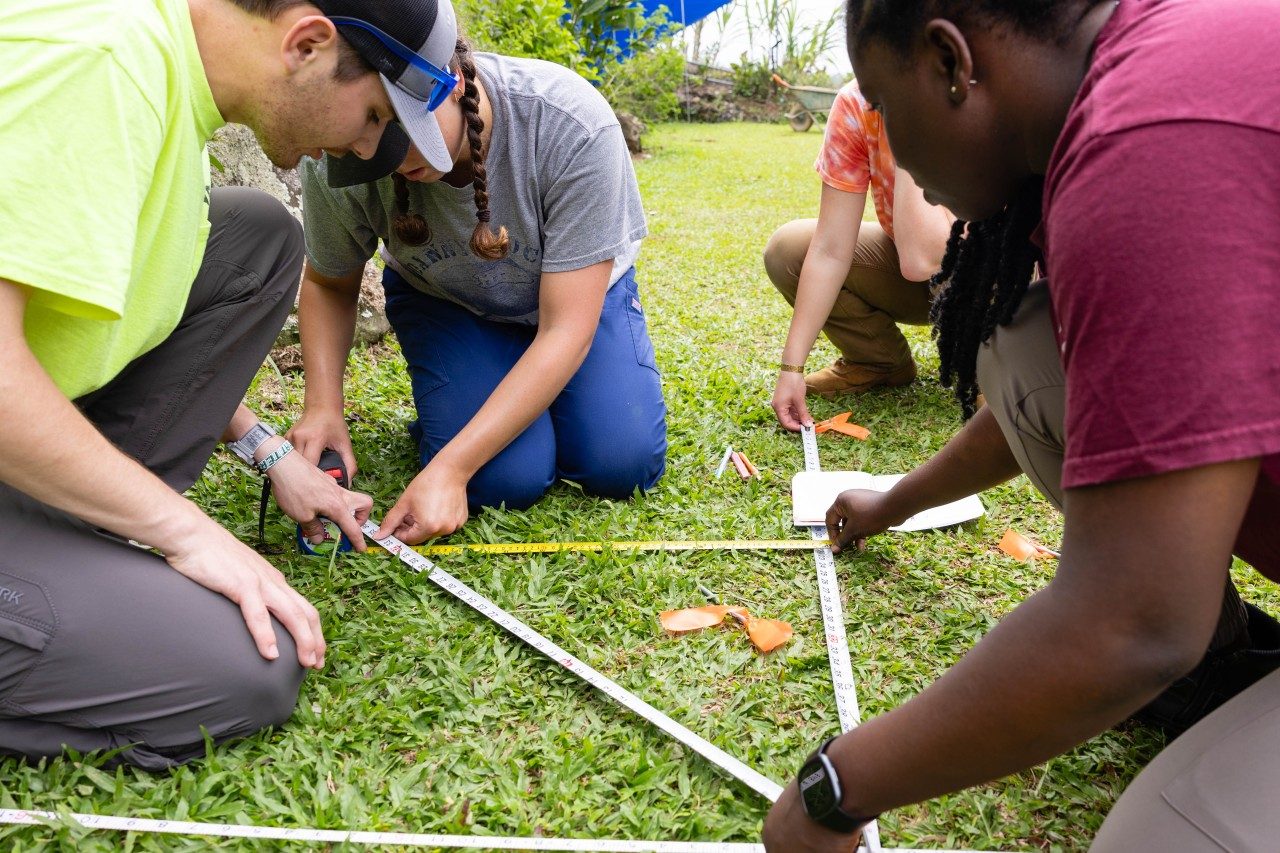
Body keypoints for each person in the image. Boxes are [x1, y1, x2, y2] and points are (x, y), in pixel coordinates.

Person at [763, 0, 1280, 849]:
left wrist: (838, 788)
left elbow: (1133, 621)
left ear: (948, 62)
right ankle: (1230, 676)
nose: (882, 133)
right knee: (1024, 345)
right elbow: (1069, 390)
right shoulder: (1114, 91)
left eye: (884, 106)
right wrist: (897, 499)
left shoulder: (1148, 147)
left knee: (1163, 840)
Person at [0, 0, 472, 769]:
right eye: (373, 117)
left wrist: (271, 452)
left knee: (256, 234)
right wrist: (186, 531)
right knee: (246, 666)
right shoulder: (101, 66)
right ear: (308, 43)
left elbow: (134, 304)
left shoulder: (161, 66)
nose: (364, 149)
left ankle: (65, 530)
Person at [289, 24, 668, 545]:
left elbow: (566, 329)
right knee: (505, 480)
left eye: (402, 131)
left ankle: (517, 394)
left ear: (455, 82)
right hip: (448, 302)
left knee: (620, 465)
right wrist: (323, 407)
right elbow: (330, 284)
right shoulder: (343, 151)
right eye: (362, 142)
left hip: (568, 310)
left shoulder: (570, 122)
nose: (389, 159)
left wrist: (449, 469)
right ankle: (482, 384)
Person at [766, 79, 952, 431]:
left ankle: (991, 364)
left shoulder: (987, 85)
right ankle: (879, 361)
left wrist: (909, 120)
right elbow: (830, 249)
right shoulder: (858, 101)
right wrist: (792, 368)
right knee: (789, 250)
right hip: (917, 272)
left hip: (995, 275)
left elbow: (923, 258)